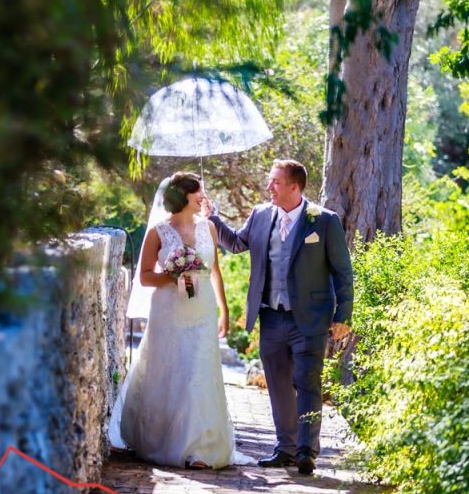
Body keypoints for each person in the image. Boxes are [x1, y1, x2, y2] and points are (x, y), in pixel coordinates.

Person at [204, 159, 353, 476]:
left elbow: (343, 272)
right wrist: (212, 218)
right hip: (270, 318)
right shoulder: (260, 215)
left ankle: (306, 451)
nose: (269, 186)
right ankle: (285, 449)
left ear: (294, 187)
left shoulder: (323, 221)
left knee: (308, 383)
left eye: (275, 181)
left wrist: (344, 315)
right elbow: (236, 243)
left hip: (310, 319)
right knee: (278, 385)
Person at [111, 172, 255, 469]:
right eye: (199, 191)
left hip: (202, 308)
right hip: (168, 308)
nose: (203, 196)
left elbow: (215, 271)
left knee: (199, 372)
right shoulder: (159, 232)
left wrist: (224, 311)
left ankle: (200, 448)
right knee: (169, 370)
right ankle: (160, 439)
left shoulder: (209, 229)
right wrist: (174, 274)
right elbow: (145, 277)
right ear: (185, 196)